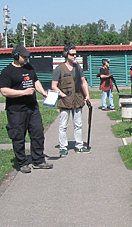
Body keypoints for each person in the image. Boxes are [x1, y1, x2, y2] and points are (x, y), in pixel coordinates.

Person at [0, 45, 53, 173]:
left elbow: (35, 81)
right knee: (18, 137)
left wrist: (43, 92)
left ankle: (38, 160)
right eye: (24, 56)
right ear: (16, 56)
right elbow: (4, 91)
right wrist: (23, 93)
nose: (26, 58)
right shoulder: (7, 71)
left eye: (27, 56)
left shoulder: (29, 68)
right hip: (16, 110)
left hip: (32, 107)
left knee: (38, 134)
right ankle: (22, 162)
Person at [51, 44, 91, 157]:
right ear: (66, 55)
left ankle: (79, 145)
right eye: (72, 54)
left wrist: (87, 95)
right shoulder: (59, 69)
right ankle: (63, 147)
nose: (74, 56)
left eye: (75, 54)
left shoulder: (78, 67)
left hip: (77, 99)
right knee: (63, 125)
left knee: (78, 124)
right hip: (65, 100)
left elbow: (83, 82)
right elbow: (53, 85)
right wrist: (62, 94)